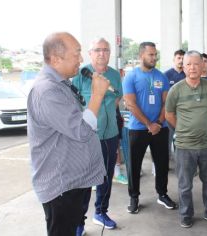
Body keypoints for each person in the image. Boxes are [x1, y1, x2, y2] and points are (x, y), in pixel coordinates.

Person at [27, 32, 110, 236]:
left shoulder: (60, 84)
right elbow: (81, 130)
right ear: (56, 58)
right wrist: (98, 95)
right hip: (61, 186)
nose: (82, 60)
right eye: (77, 54)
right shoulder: (47, 91)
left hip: (72, 180)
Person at [165, 50, 207, 228]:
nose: (192, 67)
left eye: (196, 64)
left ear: (202, 65)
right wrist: (183, 129)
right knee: (185, 184)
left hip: (206, 144)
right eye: (188, 64)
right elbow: (169, 114)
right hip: (185, 146)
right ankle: (186, 215)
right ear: (183, 67)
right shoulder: (175, 90)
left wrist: (202, 123)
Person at [72, 37, 123, 235]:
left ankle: (101, 212)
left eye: (106, 50)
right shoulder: (79, 74)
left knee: (106, 177)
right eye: (98, 50)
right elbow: (73, 105)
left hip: (110, 135)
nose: (102, 53)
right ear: (91, 53)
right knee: (84, 182)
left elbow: (117, 98)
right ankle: (79, 223)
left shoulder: (114, 75)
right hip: (87, 136)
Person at [122, 41, 177, 214]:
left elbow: (166, 103)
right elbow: (130, 104)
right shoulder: (131, 77)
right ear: (141, 56)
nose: (154, 57)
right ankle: (134, 197)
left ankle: (162, 194)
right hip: (138, 129)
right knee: (134, 165)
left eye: (155, 54)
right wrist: (148, 124)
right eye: (151, 54)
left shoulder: (161, 77)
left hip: (160, 128)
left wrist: (159, 123)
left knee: (161, 163)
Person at [164, 49, 186, 160]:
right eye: (179, 58)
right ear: (174, 59)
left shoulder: (187, 75)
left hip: (184, 114)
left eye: (183, 58)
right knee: (167, 139)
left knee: (182, 140)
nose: (181, 60)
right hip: (169, 114)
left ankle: (182, 163)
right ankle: (166, 163)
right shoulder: (166, 75)